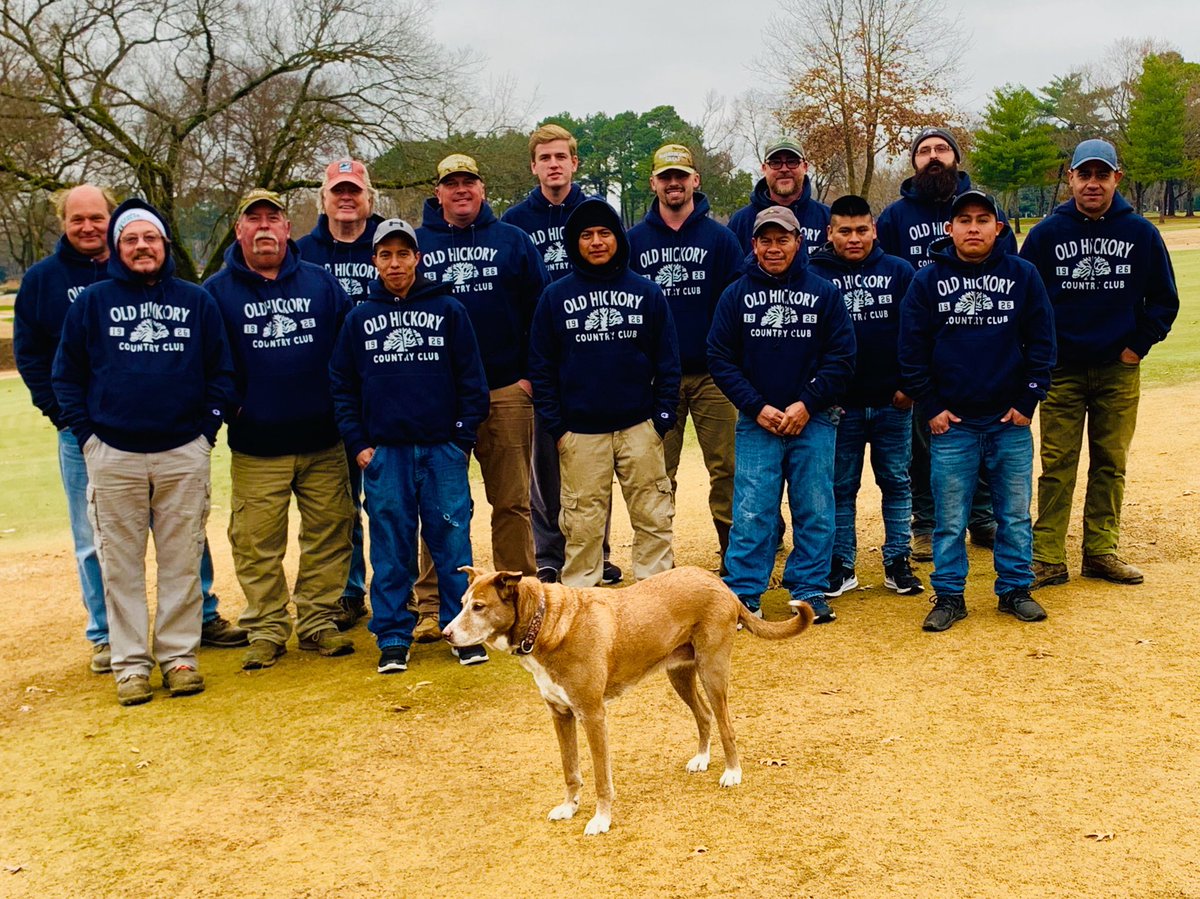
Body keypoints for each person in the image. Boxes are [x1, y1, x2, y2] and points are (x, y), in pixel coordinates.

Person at [14, 185, 244, 676]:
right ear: (119, 249)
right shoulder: (89, 301)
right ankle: (128, 660)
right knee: (116, 561)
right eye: (131, 239)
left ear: (163, 245)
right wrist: (85, 435)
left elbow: (220, 373)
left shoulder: (195, 301)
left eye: (151, 238)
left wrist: (206, 433)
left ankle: (179, 656)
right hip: (109, 450)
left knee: (183, 558)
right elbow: (62, 372)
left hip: (182, 449)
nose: (142, 246)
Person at [329, 218, 491, 673]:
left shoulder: (448, 310)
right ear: (374, 260)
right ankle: (394, 635)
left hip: (441, 449)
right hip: (386, 453)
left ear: (417, 258)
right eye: (386, 255)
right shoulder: (359, 317)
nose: (395, 263)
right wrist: (360, 442)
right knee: (390, 547)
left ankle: (461, 632)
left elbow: (471, 380)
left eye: (403, 254)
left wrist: (460, 438)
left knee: (452, 544)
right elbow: (341, 385)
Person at [204, 189, 355, 670]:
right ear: (240, 230)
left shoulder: (322, 284)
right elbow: (211, 365)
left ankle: (317, 622)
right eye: (255, 220)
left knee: (330, 534)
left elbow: (348, 352)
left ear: (289, 229)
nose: (265, 227)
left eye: (274, 218)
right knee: (255, 542)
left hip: (322, 441)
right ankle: (267, 627)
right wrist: (237, 409)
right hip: (257, 446)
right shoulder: (216, 292)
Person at [1020, 139, 1179, 588]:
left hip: (1117, 368)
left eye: (1102, 175)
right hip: (1062, 371)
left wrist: (1135, 348)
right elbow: (1027, 302)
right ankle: (1048, 555)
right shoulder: (1047, 234)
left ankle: (1101, 550)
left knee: (1110, 460)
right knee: (1058, 463)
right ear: (1069, 177)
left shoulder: (1141, 233)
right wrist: (1042, 355)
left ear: (1117, 178)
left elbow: (1164, 301)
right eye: (1084, 174)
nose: (1093, 183)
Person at [898, 190, 1056, 633]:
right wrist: (931, 405)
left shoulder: (1023, 275)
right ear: (949, 229)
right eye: (963, 220)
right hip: (953, 424)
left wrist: (1027, 400)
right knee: (950, 518)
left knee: (1013, 513)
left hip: (1009, 421)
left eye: (983, 219)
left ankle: (1015, 589)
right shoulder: (926, 281)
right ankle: (949, 596)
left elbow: (1042, 343)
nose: (973, 228)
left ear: (998, 228)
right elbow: (911, 351)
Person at [708, 207, 855, 624]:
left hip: (815, 419)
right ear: (753, 245)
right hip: (759, 423)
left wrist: (807, 403)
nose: (774, 248)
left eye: (783, 239)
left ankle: (809, 588)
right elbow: (720, 358)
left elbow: (842, 357)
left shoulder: (824, 293)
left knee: (815, 506)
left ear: (798, 242)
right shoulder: (735, 294)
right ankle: (744, 594)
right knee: (753, 509)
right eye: (766, 241)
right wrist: (756, 406)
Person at [877, 127, 1013, 560]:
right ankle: (926, 523)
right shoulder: (896, 217)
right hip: (924, 350)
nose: (933, 157)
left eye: (941, 149)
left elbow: (1011, 276)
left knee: (986, 434)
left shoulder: (984, 209)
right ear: (913, 161)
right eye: (924, 151)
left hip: (982, 344)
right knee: (923, 445)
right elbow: (886, 281)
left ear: (956, 157)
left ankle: (982, 517)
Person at [529, 198, 681, 587]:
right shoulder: (555, 297)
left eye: (604, 233)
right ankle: (582, 608)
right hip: (580, 434)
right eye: (586, 235)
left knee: (653, 518)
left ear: (618, 238)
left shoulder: (647, 292)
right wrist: (557, 427)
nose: (596, 242)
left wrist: (660, 419)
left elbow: (667, 362)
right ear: (574, 242)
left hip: (638, 428)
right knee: (582, 526)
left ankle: (658, 599)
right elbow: (542, 368)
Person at [415, 153, 548, 579]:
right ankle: (439, 600)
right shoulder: (418, 246)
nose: (460, 190)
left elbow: (540, 313)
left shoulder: (512, 240)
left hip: (506, 388)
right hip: (441, 398)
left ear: (482, 189)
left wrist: (528, 378)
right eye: (451, 183)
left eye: (468, 181)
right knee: (440, 504)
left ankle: (518, 592)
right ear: (438, 194)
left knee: (512, 501)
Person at [500, 124, 621, 589]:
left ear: (574, 163)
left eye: (561, 157)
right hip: (542, 363)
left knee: (593, 462)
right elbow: (512, 302)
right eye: (544, 157)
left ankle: (597, 552)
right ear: (534, 165)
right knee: (546, 467)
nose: (554, 164)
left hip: (591, 357)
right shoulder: (515, 222)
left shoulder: (596, 213)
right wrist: (527, 370)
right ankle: (549, 554)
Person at [627, 144, 743, 572]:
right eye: (665, 176)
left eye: (682, 175)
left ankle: (736, 563)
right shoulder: (634, 242)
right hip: (658, 380)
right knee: (658, 475)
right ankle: (660, 569)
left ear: (695, 180)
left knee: (728, 469)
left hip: (715, 375)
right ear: (654, 183)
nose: (673, 183)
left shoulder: (720, 239)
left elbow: (738, 306)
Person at [808, 195, 921, 597]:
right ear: (830, 233)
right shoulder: (814, 275)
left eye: (861, 230)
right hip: (840, 405)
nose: (853, 238)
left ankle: (897, 560)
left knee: (896, 481)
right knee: (840, 486)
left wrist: (910, 386)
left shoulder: (899, 272)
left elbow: (917, 333)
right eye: (844, 231)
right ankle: (842, 563)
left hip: (893, 401)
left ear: (874, 229)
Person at [296, 158, 386, 631]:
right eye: (338, 191)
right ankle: (348, 592)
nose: (346, 198)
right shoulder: (302, 253)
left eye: (355, 191)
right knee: (339, 508)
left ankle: (398, 589)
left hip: (386, 397)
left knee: (391, 503)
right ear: (323, 199)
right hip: (329, 402)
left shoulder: (391, 245)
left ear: (369, 198)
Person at [728, 138, 830, 256]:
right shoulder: (741, 222)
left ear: (805, 167)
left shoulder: (827, 218)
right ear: (764, 168)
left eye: (792, 162)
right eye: (775, 163)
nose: (784, 169)